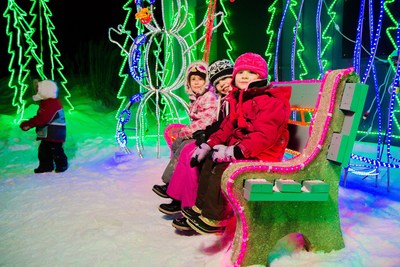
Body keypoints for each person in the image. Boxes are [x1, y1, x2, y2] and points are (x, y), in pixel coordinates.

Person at [182, 52, 292, 234]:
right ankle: (200, 207)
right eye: (241, 72)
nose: (245, 76)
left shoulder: (270, 101)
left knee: (222, 168)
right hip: (245, 149)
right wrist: (208, 145)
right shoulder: (240, 97)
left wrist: (235, 151)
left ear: (262, 76)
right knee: (209, 159)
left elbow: (265, 136)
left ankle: (215, 217)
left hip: (263, 155)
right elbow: (227, 126)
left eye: (252, 72)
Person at [157, 59, 234, 229]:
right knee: (187, 151)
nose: (222, 84)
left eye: (225, 79)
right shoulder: (222, 98)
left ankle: (187, 203)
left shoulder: (223, 99)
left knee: (190, 152)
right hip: (214, 138)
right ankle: (179, 197)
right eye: (218, 81)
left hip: (226, 144)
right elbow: (220, 124)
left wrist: (205, 136)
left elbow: (217, 122)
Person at [152, 60, 218, 201]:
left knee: (183, 148)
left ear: (206, 81)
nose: (196, 82)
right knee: (179, 146)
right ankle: (171, 185)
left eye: (200, 79)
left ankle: (171, 184)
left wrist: (187, 131)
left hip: (206, 134)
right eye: (193, 79)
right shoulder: (196, 97)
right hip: (198, 132)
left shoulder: (209, 97)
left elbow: (206, 120)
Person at [20, 79, 68, 173]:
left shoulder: (52, 103)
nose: (37, 91)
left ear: (46, 91)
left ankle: (62, 165)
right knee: (44, 150)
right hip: (49, 132)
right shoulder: (47, 101)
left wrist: (29, 124)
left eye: (39, 89)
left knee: (55, 149)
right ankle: (46, 166)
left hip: (55, 132)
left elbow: (43, 118)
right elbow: (42, 117)